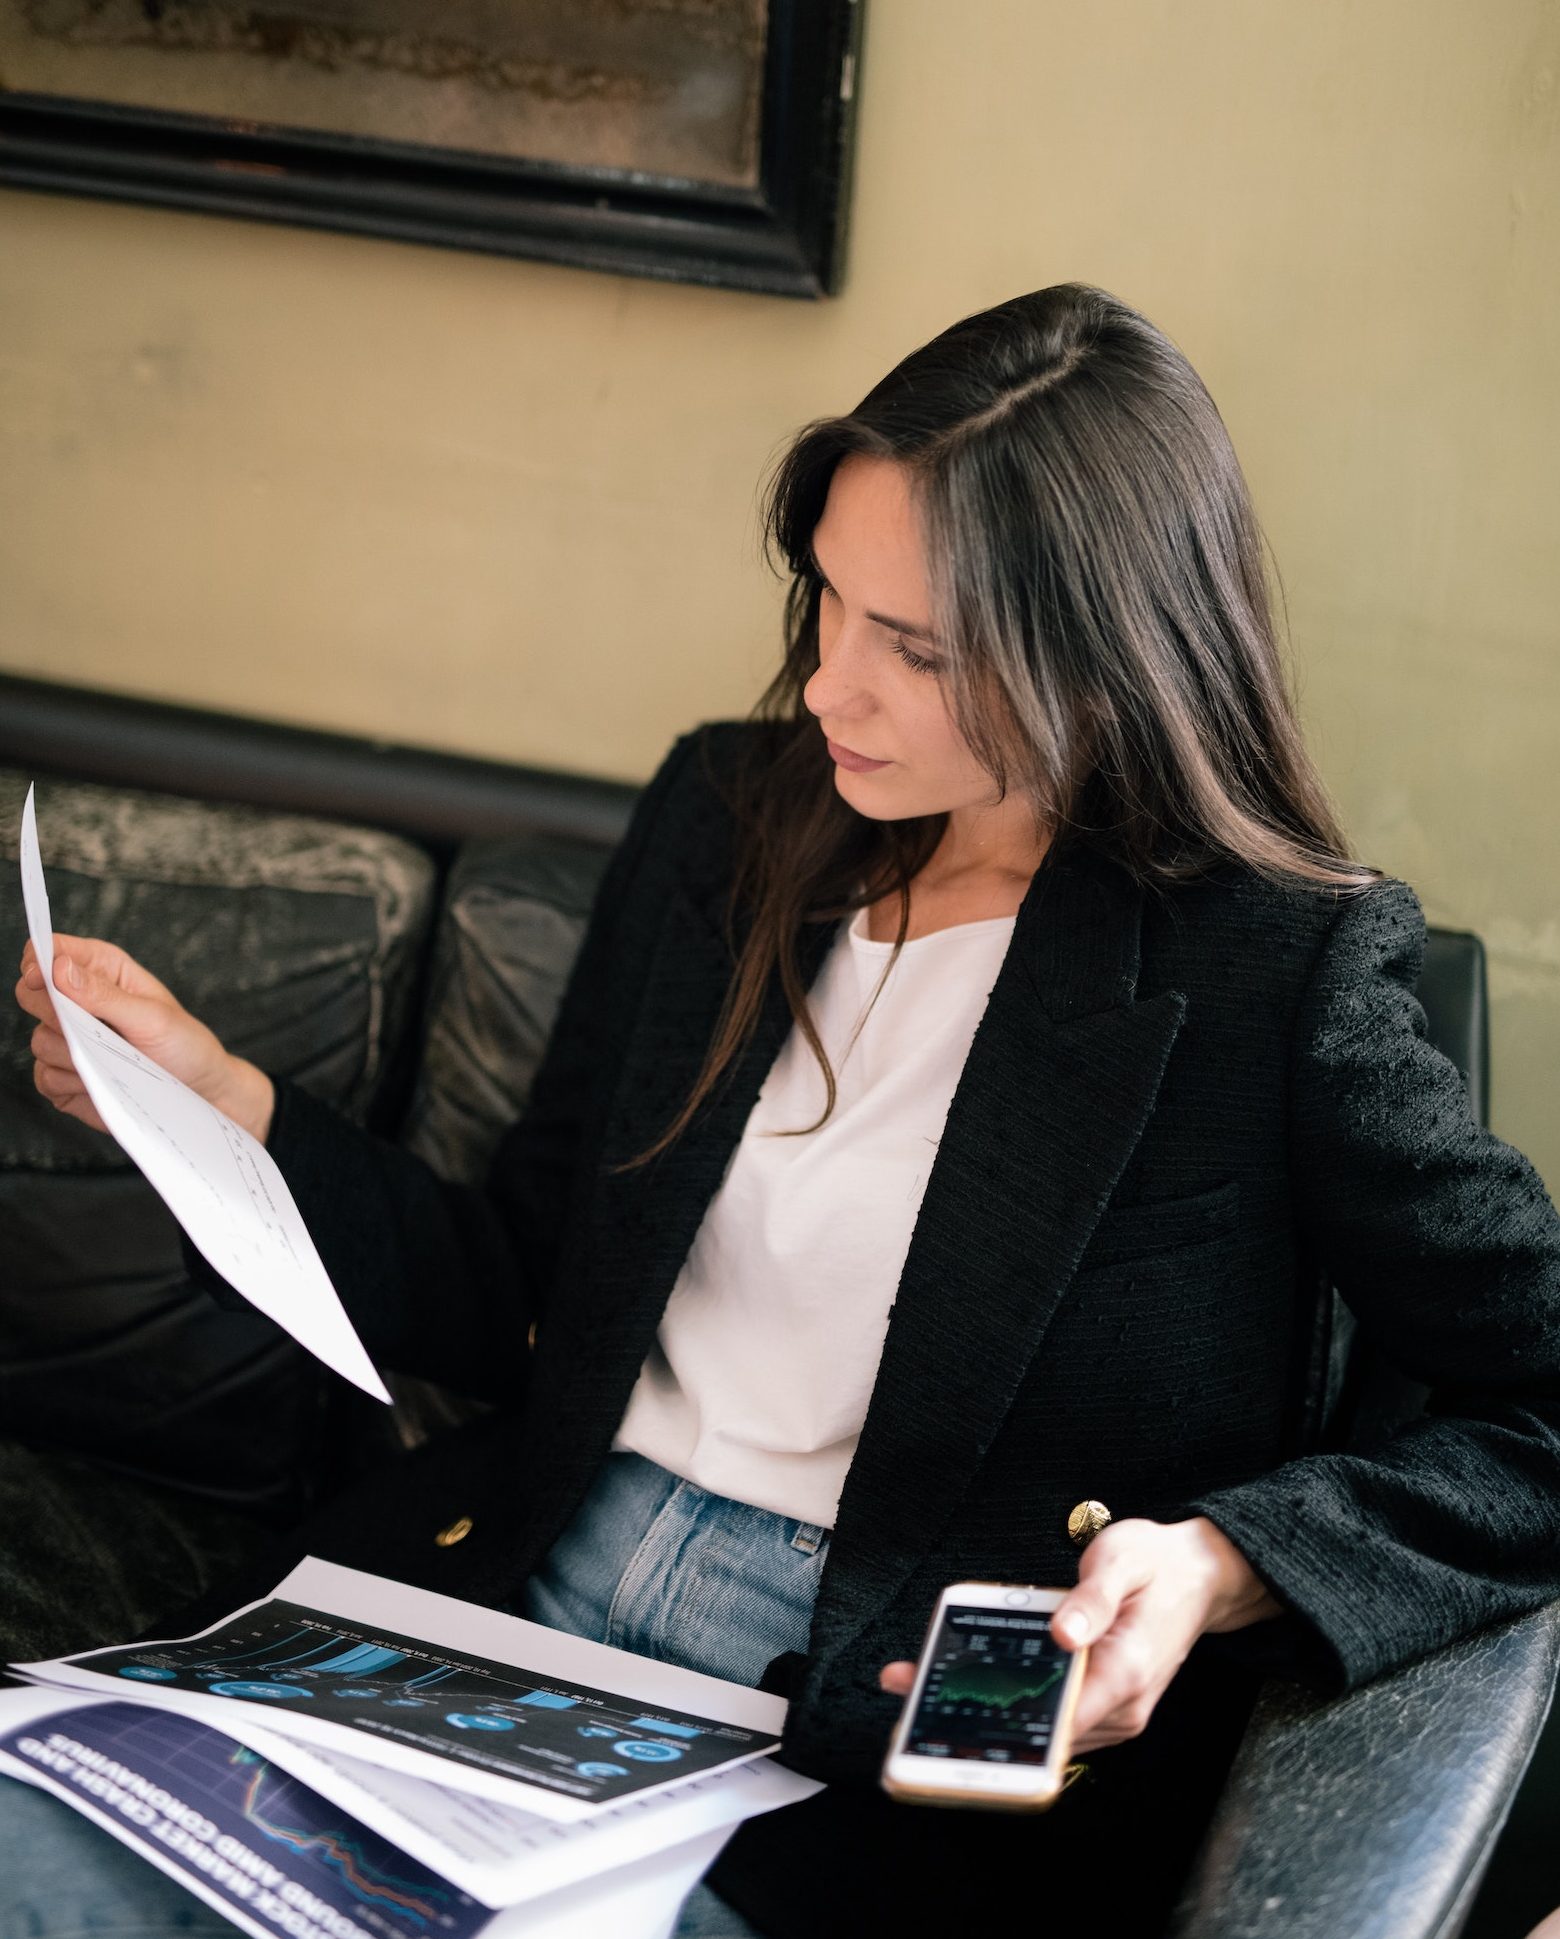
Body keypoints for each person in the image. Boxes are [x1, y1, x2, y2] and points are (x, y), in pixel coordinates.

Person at [12, 283, 1560, 1937]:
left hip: (852, 1731)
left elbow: (1533, 1408)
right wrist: (225, 1105)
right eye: (829, 600)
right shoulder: (728, 823)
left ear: (1102, 657)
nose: (830, 686)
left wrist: (1219, 1565)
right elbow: (526, 1289)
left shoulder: (1274, 967)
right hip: (499, 1605)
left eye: (917, 648)